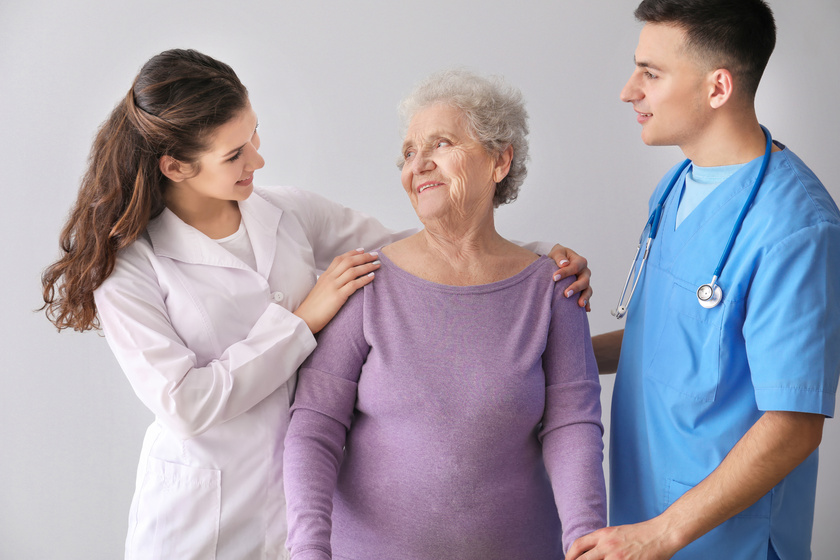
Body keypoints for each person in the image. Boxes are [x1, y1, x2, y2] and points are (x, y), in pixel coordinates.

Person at [40, 50, 591, 560]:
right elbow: (186, 403)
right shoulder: (131, 268)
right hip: (200, 514)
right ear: (176, 168)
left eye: (254, 135)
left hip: (296, 513)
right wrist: (303, 321)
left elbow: (429, 242)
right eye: (235, 153)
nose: (258, 158)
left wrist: (537, 259)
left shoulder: (289, 213)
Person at [283, 69, 607, 560]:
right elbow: (313, 427)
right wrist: (308, 548)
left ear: (500, 161)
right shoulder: (364, 282)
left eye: (442, 143)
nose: (419, 164)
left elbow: (573, 427)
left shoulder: (552, 289)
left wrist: (587, 541)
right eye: (409, 152)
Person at [567, 1, 840, 559]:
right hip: (638, 519)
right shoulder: (676, 187)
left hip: (721, 541)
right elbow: (674, 341)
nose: (628, 90)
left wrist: (662, 533)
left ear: (718, 88)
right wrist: (558, 353)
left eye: (651, 73)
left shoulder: (797, 228)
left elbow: (794, 424)